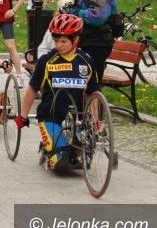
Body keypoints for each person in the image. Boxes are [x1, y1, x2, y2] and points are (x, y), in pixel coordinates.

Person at [15, 14, 101, 170]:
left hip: (77, 120)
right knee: (62, 161)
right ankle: (48, 148)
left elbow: (93, 93)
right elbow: (32, 89)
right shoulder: (46, 60)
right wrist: (23, 116)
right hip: (50, 116)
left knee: (82, 161)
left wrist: (94, 120)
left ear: (75, 40)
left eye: (63, 41)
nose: (59, 45)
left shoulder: (86, 60)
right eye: (56, 41)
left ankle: (64, 146)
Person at [61, 0, 118, 84]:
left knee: (90, 85)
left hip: (97, 43)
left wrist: (74, 12)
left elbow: (98, 17)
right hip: (91, 40)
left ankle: (94, 99)